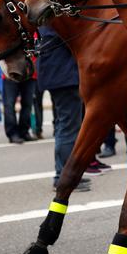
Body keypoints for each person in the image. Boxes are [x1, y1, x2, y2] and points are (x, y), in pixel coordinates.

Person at [35, 25, 92, 189]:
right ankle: (64, 177)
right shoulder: (55, 23)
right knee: (68, 127)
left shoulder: (45, 23)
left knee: (64, 126)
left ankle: (64, 175)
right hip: (64, 78)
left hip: (58, 77)